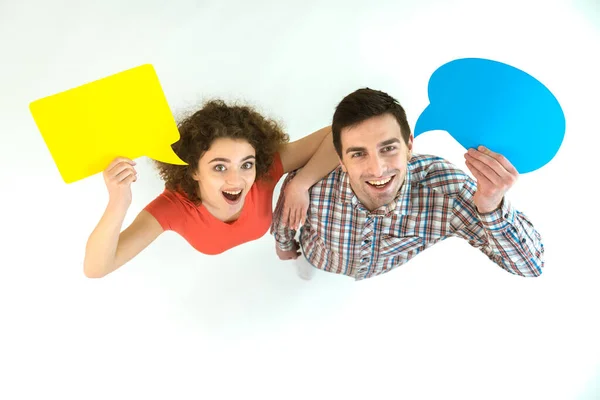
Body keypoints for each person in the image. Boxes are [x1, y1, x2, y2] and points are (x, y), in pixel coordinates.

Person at [271, 88, 545, 281]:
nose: (377, 169)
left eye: (388, 148)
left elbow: (529, 266)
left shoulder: (446, 193)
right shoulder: (310, 184)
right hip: (317, 259)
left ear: (409, 146)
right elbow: (286, 218)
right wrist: (285, 247)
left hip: (379, 274)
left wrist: (491, 205)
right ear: (340, 159)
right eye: (358, 153)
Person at [84, 99, 338, 278]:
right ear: (194, 170)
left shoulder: (264, 171)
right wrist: (119, 201)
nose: (236, 180)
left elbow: (341, 134)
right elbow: (96, 268)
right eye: (219, 167)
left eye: (246, 164)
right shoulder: (173, 208)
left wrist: (300, 183)